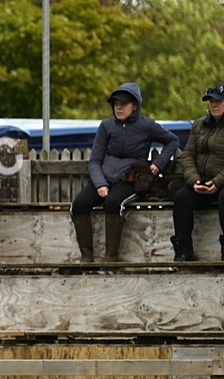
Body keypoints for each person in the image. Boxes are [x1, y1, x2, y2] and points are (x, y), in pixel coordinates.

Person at [70, 82, 179, 263]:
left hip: (130, 180)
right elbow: (95, 160)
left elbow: (173, 141)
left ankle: (110, 258)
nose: (118, 108)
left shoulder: (147, 125)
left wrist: (158, 164)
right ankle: (86, 257)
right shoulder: (106, 126)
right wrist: (100, 184)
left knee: (113, 203)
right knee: (79, 204)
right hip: (104, 179)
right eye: (115, 104)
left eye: (123, 104)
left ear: (134, 106)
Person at [171, 82, 224, 261]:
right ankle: (184, 252)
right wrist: (194, 181)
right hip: (203, 182)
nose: (214, 105)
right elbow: (187, 155)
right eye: (211, 101)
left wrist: (217, 182)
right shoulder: (199, 124)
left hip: (221, 183)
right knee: (181, 198)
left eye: (219, 101)